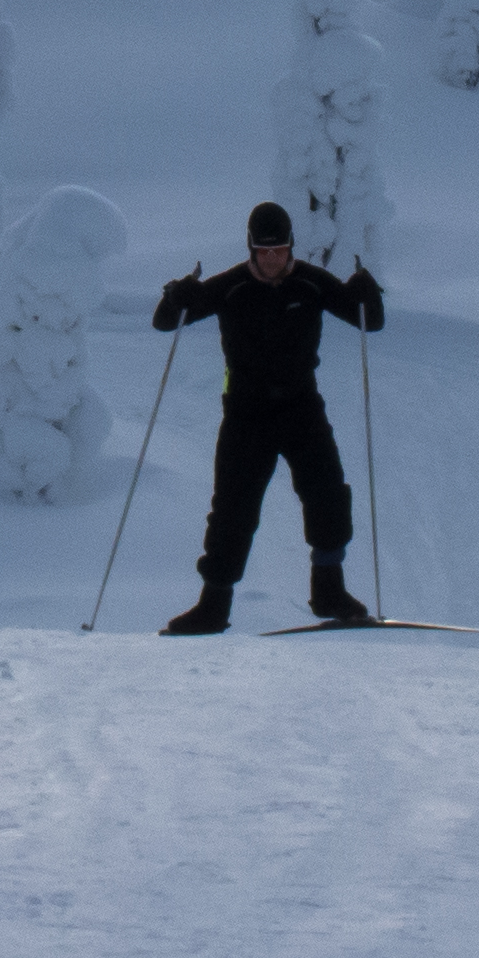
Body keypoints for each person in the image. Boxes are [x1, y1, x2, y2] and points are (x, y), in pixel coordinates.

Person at [151, 201, 384, 634]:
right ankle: (213, 606)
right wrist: (175, 297)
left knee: (328, 494)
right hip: (246, 415)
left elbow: (369, 322)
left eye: (280, 250)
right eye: (264, 250)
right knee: (233, 511)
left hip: (301, 408)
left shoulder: (312, 284)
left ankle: (328, 591)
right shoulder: (230, 287)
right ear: (251, 249)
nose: (273, 258)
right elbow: (166, 323)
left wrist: (366, 293)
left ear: (292, 246)